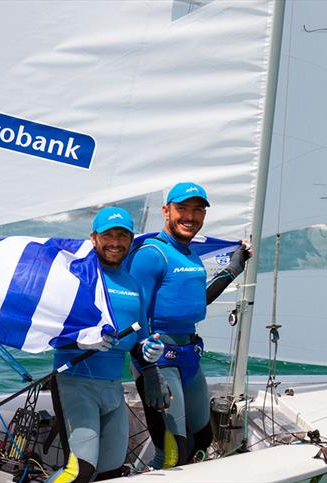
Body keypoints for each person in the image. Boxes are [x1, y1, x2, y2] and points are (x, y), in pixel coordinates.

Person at [127, 182, 251, 469]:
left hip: (189, 358)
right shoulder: (151, 254)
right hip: (159, 362)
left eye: (197, 210)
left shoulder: (190, 254)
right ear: (166, 211)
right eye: (182, 208)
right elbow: (134, 316)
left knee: (202, 438)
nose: (190, 216)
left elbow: (194, 303)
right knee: (171, 452)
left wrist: (233, 269)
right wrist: (149, 372)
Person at [47, 207, 166, 482]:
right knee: (79, 472)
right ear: (93, 237)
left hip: (113, 390)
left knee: (111, 473)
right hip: (74, 384)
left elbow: (140, 338)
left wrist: (149, 353)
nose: (115, 242)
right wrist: (83, 341)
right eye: (107, 235)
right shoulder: (75, 277)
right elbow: (49, 333)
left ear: (131, 239)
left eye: (122, 235)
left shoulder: (134, 285)